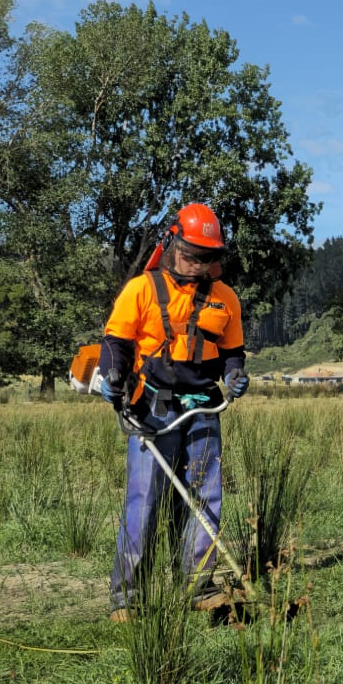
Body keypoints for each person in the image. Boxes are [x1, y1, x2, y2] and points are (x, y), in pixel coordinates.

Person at [96, 204, 249, 620]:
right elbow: (116, 343)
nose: (197, 265)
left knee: (205, 497)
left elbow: (233, 353)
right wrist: (112, 376)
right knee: (145, 500)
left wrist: (235, 376)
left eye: (207, 257)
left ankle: (199, 587)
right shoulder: (141, 289)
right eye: (190, 254)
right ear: (171, 244)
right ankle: (127, 597)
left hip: (203, 409)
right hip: (153, 408)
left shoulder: (225, 298)